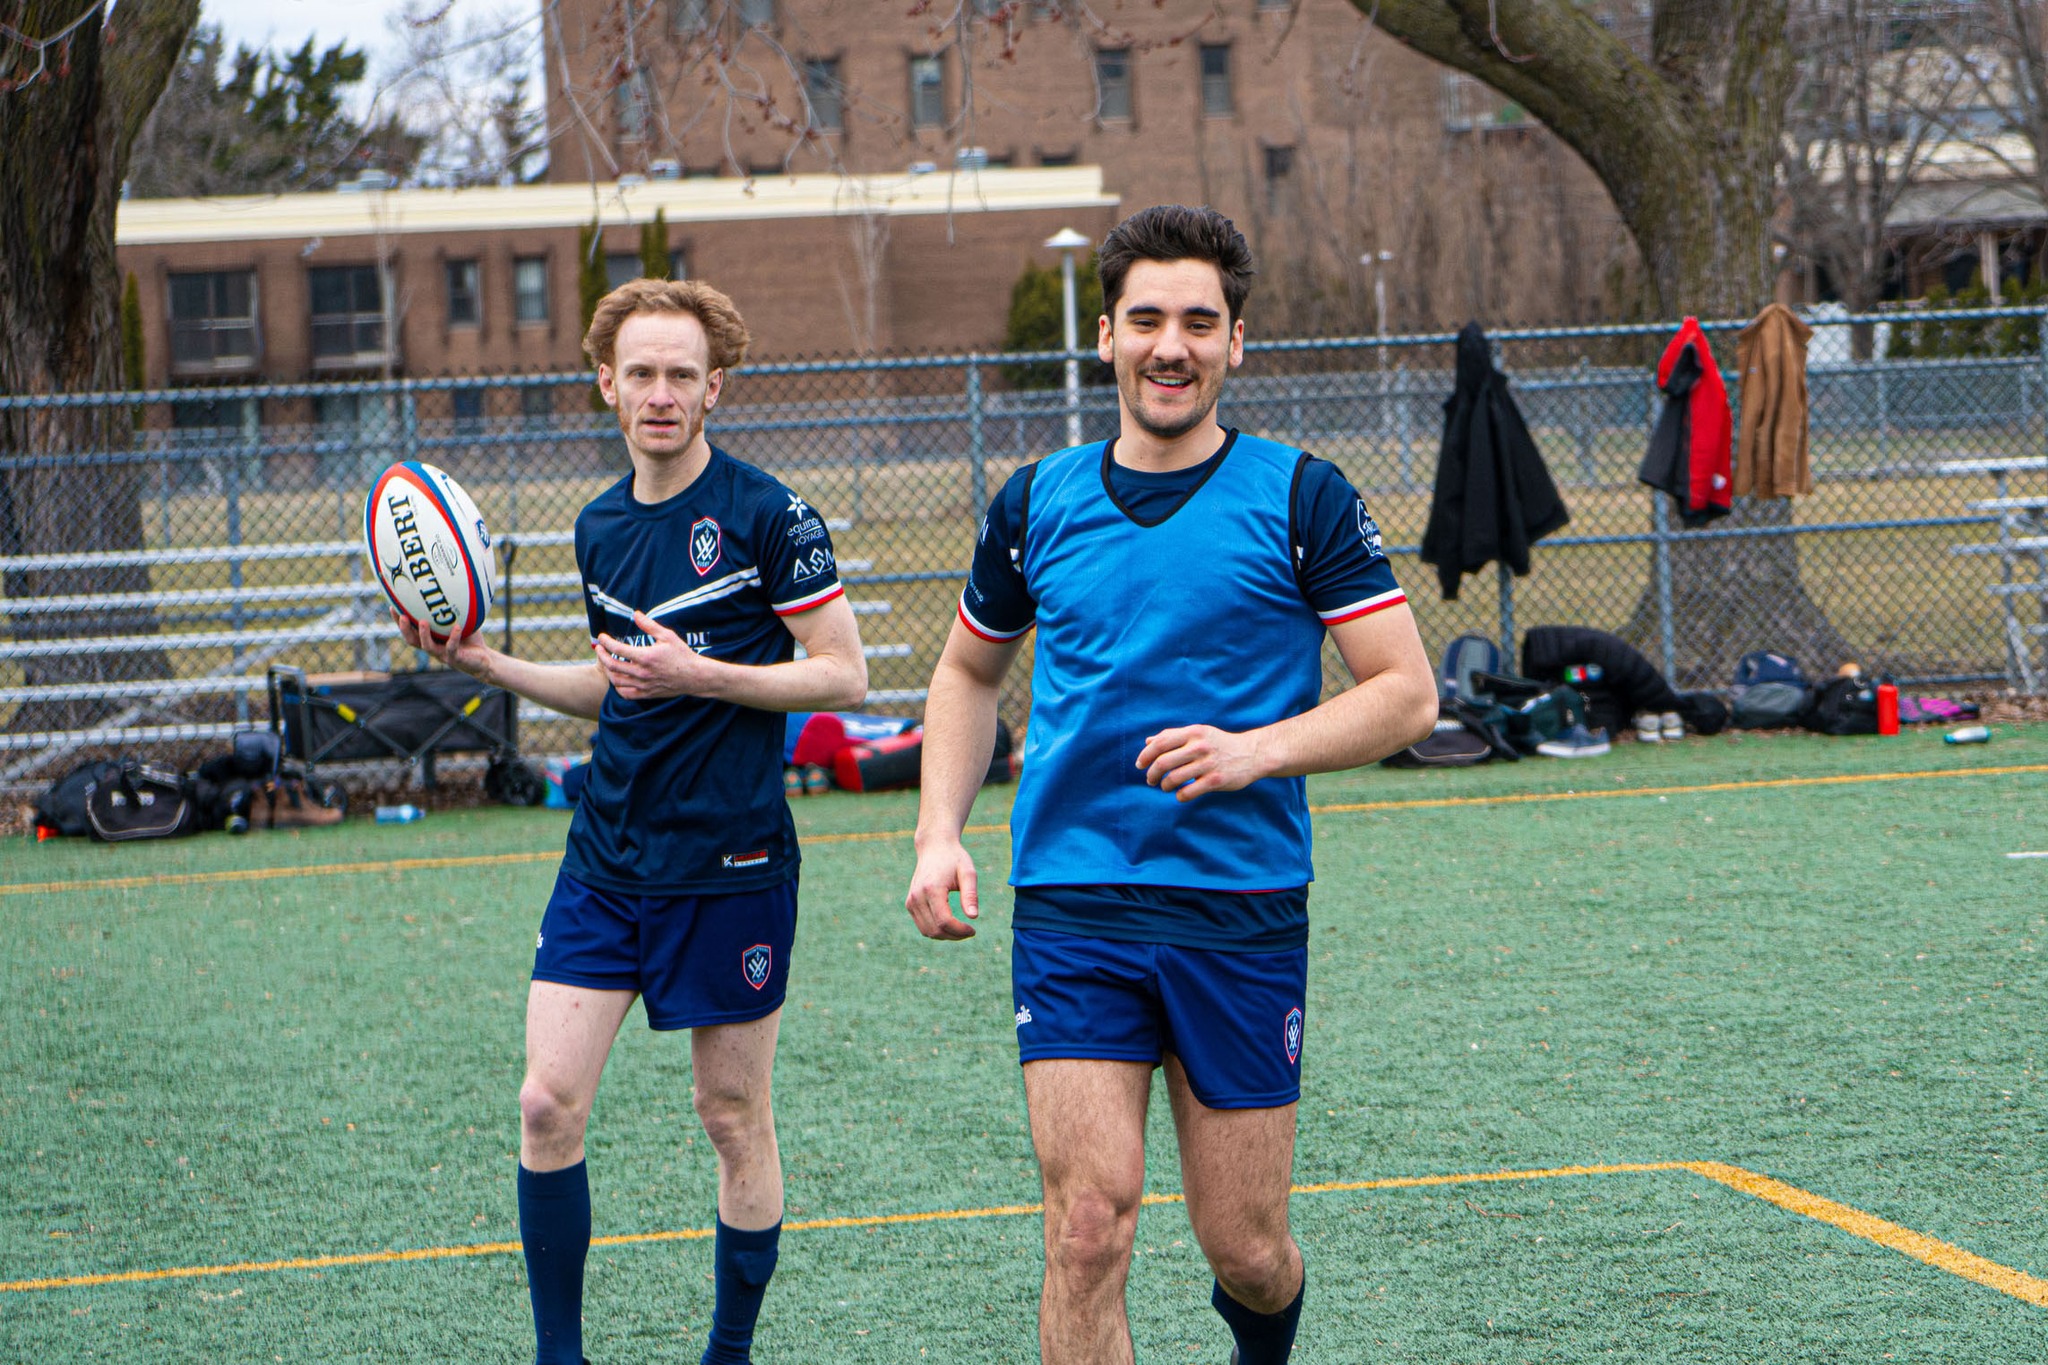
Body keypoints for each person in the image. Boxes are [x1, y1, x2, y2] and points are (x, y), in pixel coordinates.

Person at [903, 206, 1437, 1364]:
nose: (1170, 345)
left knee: (1244, 1247)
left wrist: (1256, 749)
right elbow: (964, 672)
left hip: (1237, 907)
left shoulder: (1303, 497)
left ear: (1234, 343)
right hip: (1074, 901)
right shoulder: (1034, 502)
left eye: (1199, 321)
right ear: (1104, 334)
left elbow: (1403, 692)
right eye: (1145, 319)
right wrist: (938, 830)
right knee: (1085, 1227)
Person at [395, 278, 867, 1365]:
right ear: (606, 384)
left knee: (730, 1117)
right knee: (546, 1104)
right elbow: (621, 689)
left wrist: (700, 671)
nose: (660, 394)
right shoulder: (598, 525)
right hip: (606, 857)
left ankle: (727, 1354)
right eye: (640, 373)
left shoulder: (769, 516)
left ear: (716, 390)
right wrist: (485, 663)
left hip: (731, 860)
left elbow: (841, 675)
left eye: (681, 375)